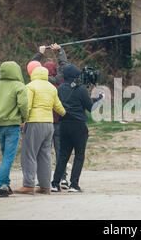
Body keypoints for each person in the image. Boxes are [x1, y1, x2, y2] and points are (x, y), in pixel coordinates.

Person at [51, 64, 104, 192]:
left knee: (63, 155)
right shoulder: (80, 89)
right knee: (79, 154)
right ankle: (74, 184)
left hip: (63, 125)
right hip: (78, 125)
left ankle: (55, 183)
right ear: (75, 76)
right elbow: (90, 108)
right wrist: (100, 99)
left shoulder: (59, 89)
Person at [14, 66, 66, 195]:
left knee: (29, 154)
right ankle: (45, 186)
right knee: (45, 156)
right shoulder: (52, 88)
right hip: (49, 125)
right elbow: (59, 107)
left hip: (34, 123)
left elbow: (27, 106)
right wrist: (65, 113)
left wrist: (23, 121)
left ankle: (28, 185)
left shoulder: (30, 86)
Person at [0, 61, 29, 197]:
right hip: (12, 125)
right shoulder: (19, 86)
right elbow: (23, 104)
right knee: (8, 156)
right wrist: (24, 118)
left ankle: (5, 185)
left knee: (5, 156)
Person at [31, 43, 70, 189]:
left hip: (42, 123)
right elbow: (64, 67)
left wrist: (39, 54)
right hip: (59, 122)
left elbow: (32, 67)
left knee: (42, 154)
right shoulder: (60, 81)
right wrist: (60, 51)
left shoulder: (36, 83)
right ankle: (63, 179)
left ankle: (43, 180)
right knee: (61, 152)